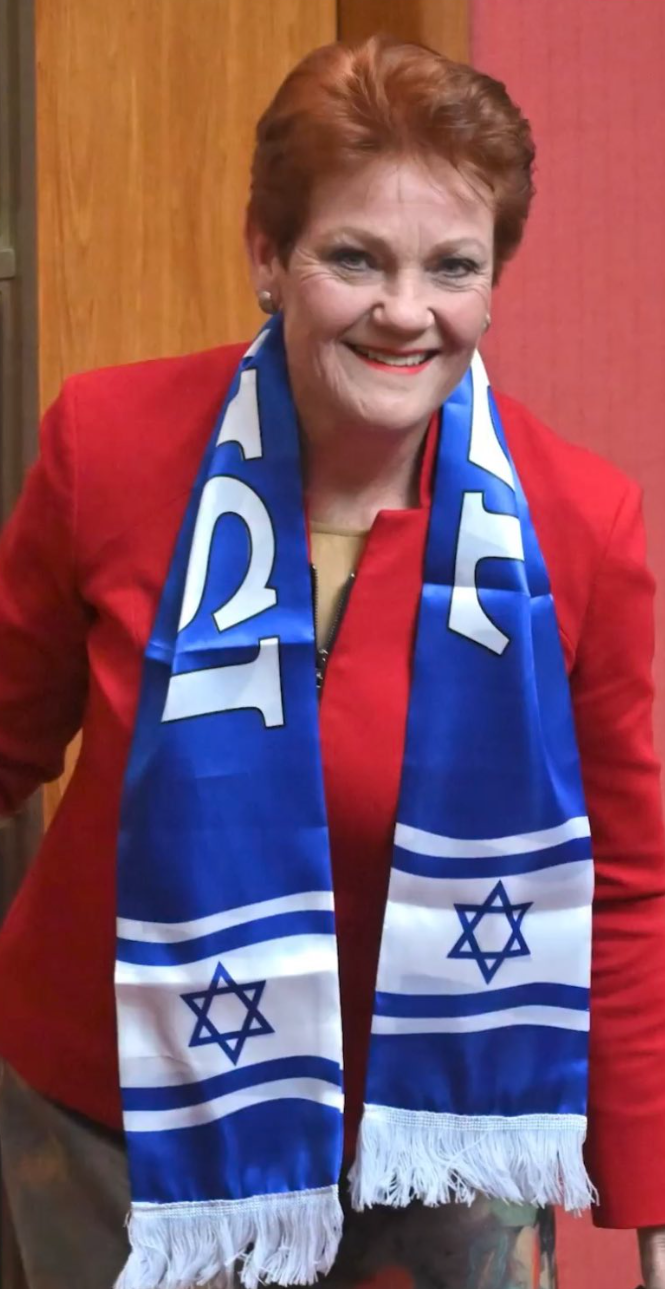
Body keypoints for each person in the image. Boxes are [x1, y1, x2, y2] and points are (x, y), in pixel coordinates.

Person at [0, 33, 664, 1289]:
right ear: (267, 253)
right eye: (354, 257)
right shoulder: (108, 446)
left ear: (491, 282)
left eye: (450, 265)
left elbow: (623, 884)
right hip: (123, 1133)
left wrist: (648, 1199)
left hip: (439, 1141)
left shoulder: (579, 525)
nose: (404, 310)